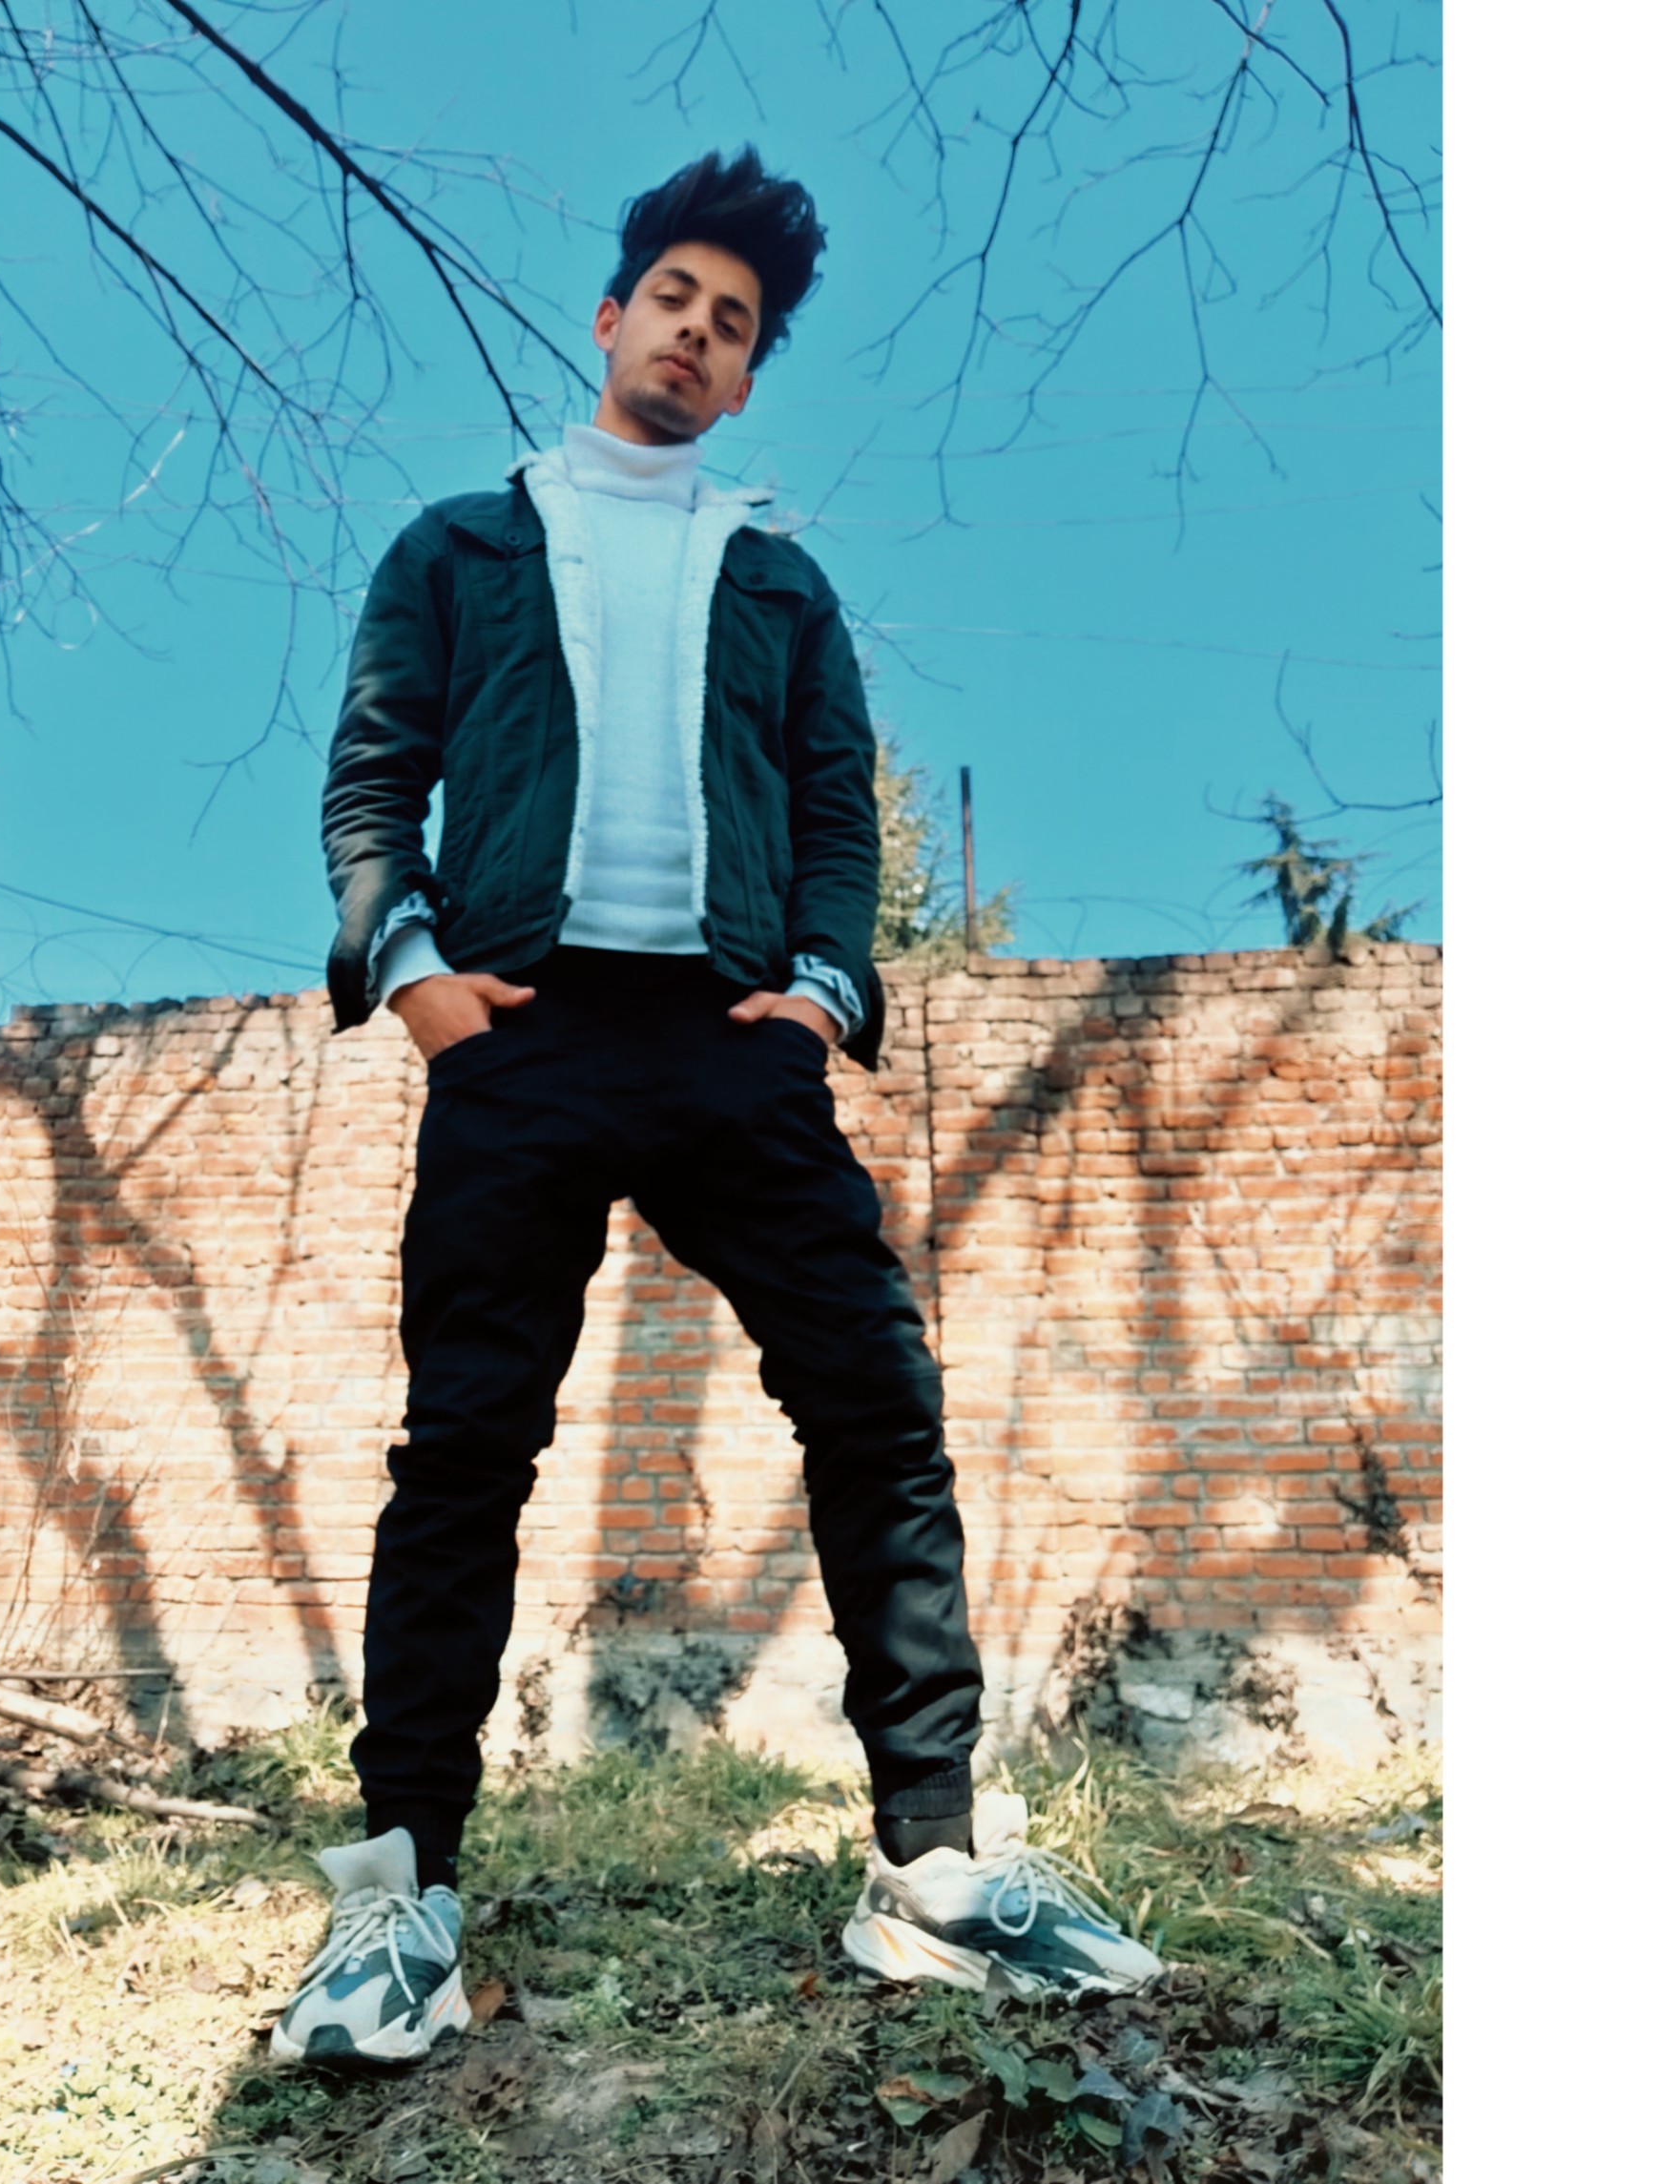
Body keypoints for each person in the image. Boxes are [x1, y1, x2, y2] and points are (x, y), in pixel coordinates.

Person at [273, 148, 1160, 2068]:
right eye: (672, 298)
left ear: (748, 378)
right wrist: (412, 973)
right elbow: (372, 773)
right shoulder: (460, 545)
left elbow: (835, 806)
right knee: (465, 1444)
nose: (694, 332)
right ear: (612, 319)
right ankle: (400, 1892)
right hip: (512, 1032)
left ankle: (930, 1866)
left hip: (730, 1043)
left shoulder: (777, 578)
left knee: (873, 1397)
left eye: (732, 323)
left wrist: (822, 987)